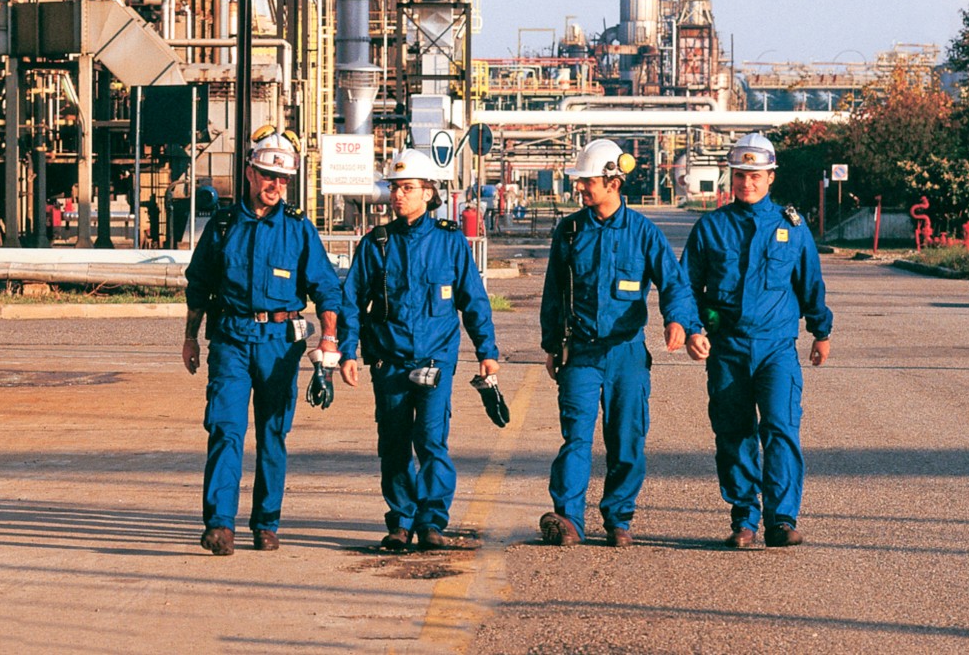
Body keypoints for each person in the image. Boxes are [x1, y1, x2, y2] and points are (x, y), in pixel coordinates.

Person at [183, 128, 346, 555]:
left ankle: (266, 523)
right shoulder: (221, 225)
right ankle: (220, 524)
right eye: (268, 176)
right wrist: (190, 338)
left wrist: (329, 339)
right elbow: (198, 284)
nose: (275, 186)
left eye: (283, 180)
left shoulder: (298, 230)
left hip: (280, 343)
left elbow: (327, 289)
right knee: (225, 429)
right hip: (231, 339)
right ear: (250, 174)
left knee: (272, 433)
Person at [538, 139, 700, 547]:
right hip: (581, 352)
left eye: (587, 181)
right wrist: (551, 345)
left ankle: (618, 518)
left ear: (613, 181)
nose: (580, 189)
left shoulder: (643, 232)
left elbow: (674, 282)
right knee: (576, 437)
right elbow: (554, 292)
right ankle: (569, 520)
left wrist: (679, 321)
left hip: (626, 353)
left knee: (626, 438)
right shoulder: (570, 231)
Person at [338, 149, 500, 552]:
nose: (398, 196)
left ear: (429, 193)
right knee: (393, 444)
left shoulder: (449, 242)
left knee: (430, 441)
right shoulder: (376, 244)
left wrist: (487, 350)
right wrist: (347, 351)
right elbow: (351, 301)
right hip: (388, 360)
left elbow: (473, 300)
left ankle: (431, 521)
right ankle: (400, 521)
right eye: (394, 188)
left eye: (408, 188)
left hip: (435, 359)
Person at [681, 132, 833, 550]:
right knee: (733, 433)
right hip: (727, 350)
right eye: (740, 174)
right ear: (732, 176)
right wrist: (693, 328)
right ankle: (744, 519)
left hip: (777, 349)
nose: (747, 182)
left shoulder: (791, 227)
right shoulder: (711, 228)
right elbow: (686, 287)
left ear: (770, 178)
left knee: (781, 429)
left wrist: (821, 331)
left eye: (755, 175)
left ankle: (781, 520)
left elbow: (810, 285)